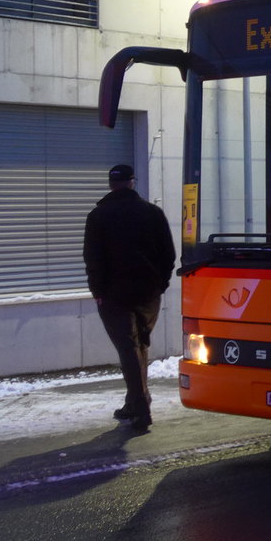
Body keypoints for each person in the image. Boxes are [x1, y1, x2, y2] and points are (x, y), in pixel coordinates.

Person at [83, 164, 175, 429]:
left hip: (114, 295)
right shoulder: (153, 213)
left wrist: (98, 292)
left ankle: (140, 409)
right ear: (132, 182)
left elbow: (93, 258)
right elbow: (168, 254)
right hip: (148, 293)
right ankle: (135, 401)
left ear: (111, 185)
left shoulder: (98, 216)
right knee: (139, 345)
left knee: (128, 347)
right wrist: (160, 285)